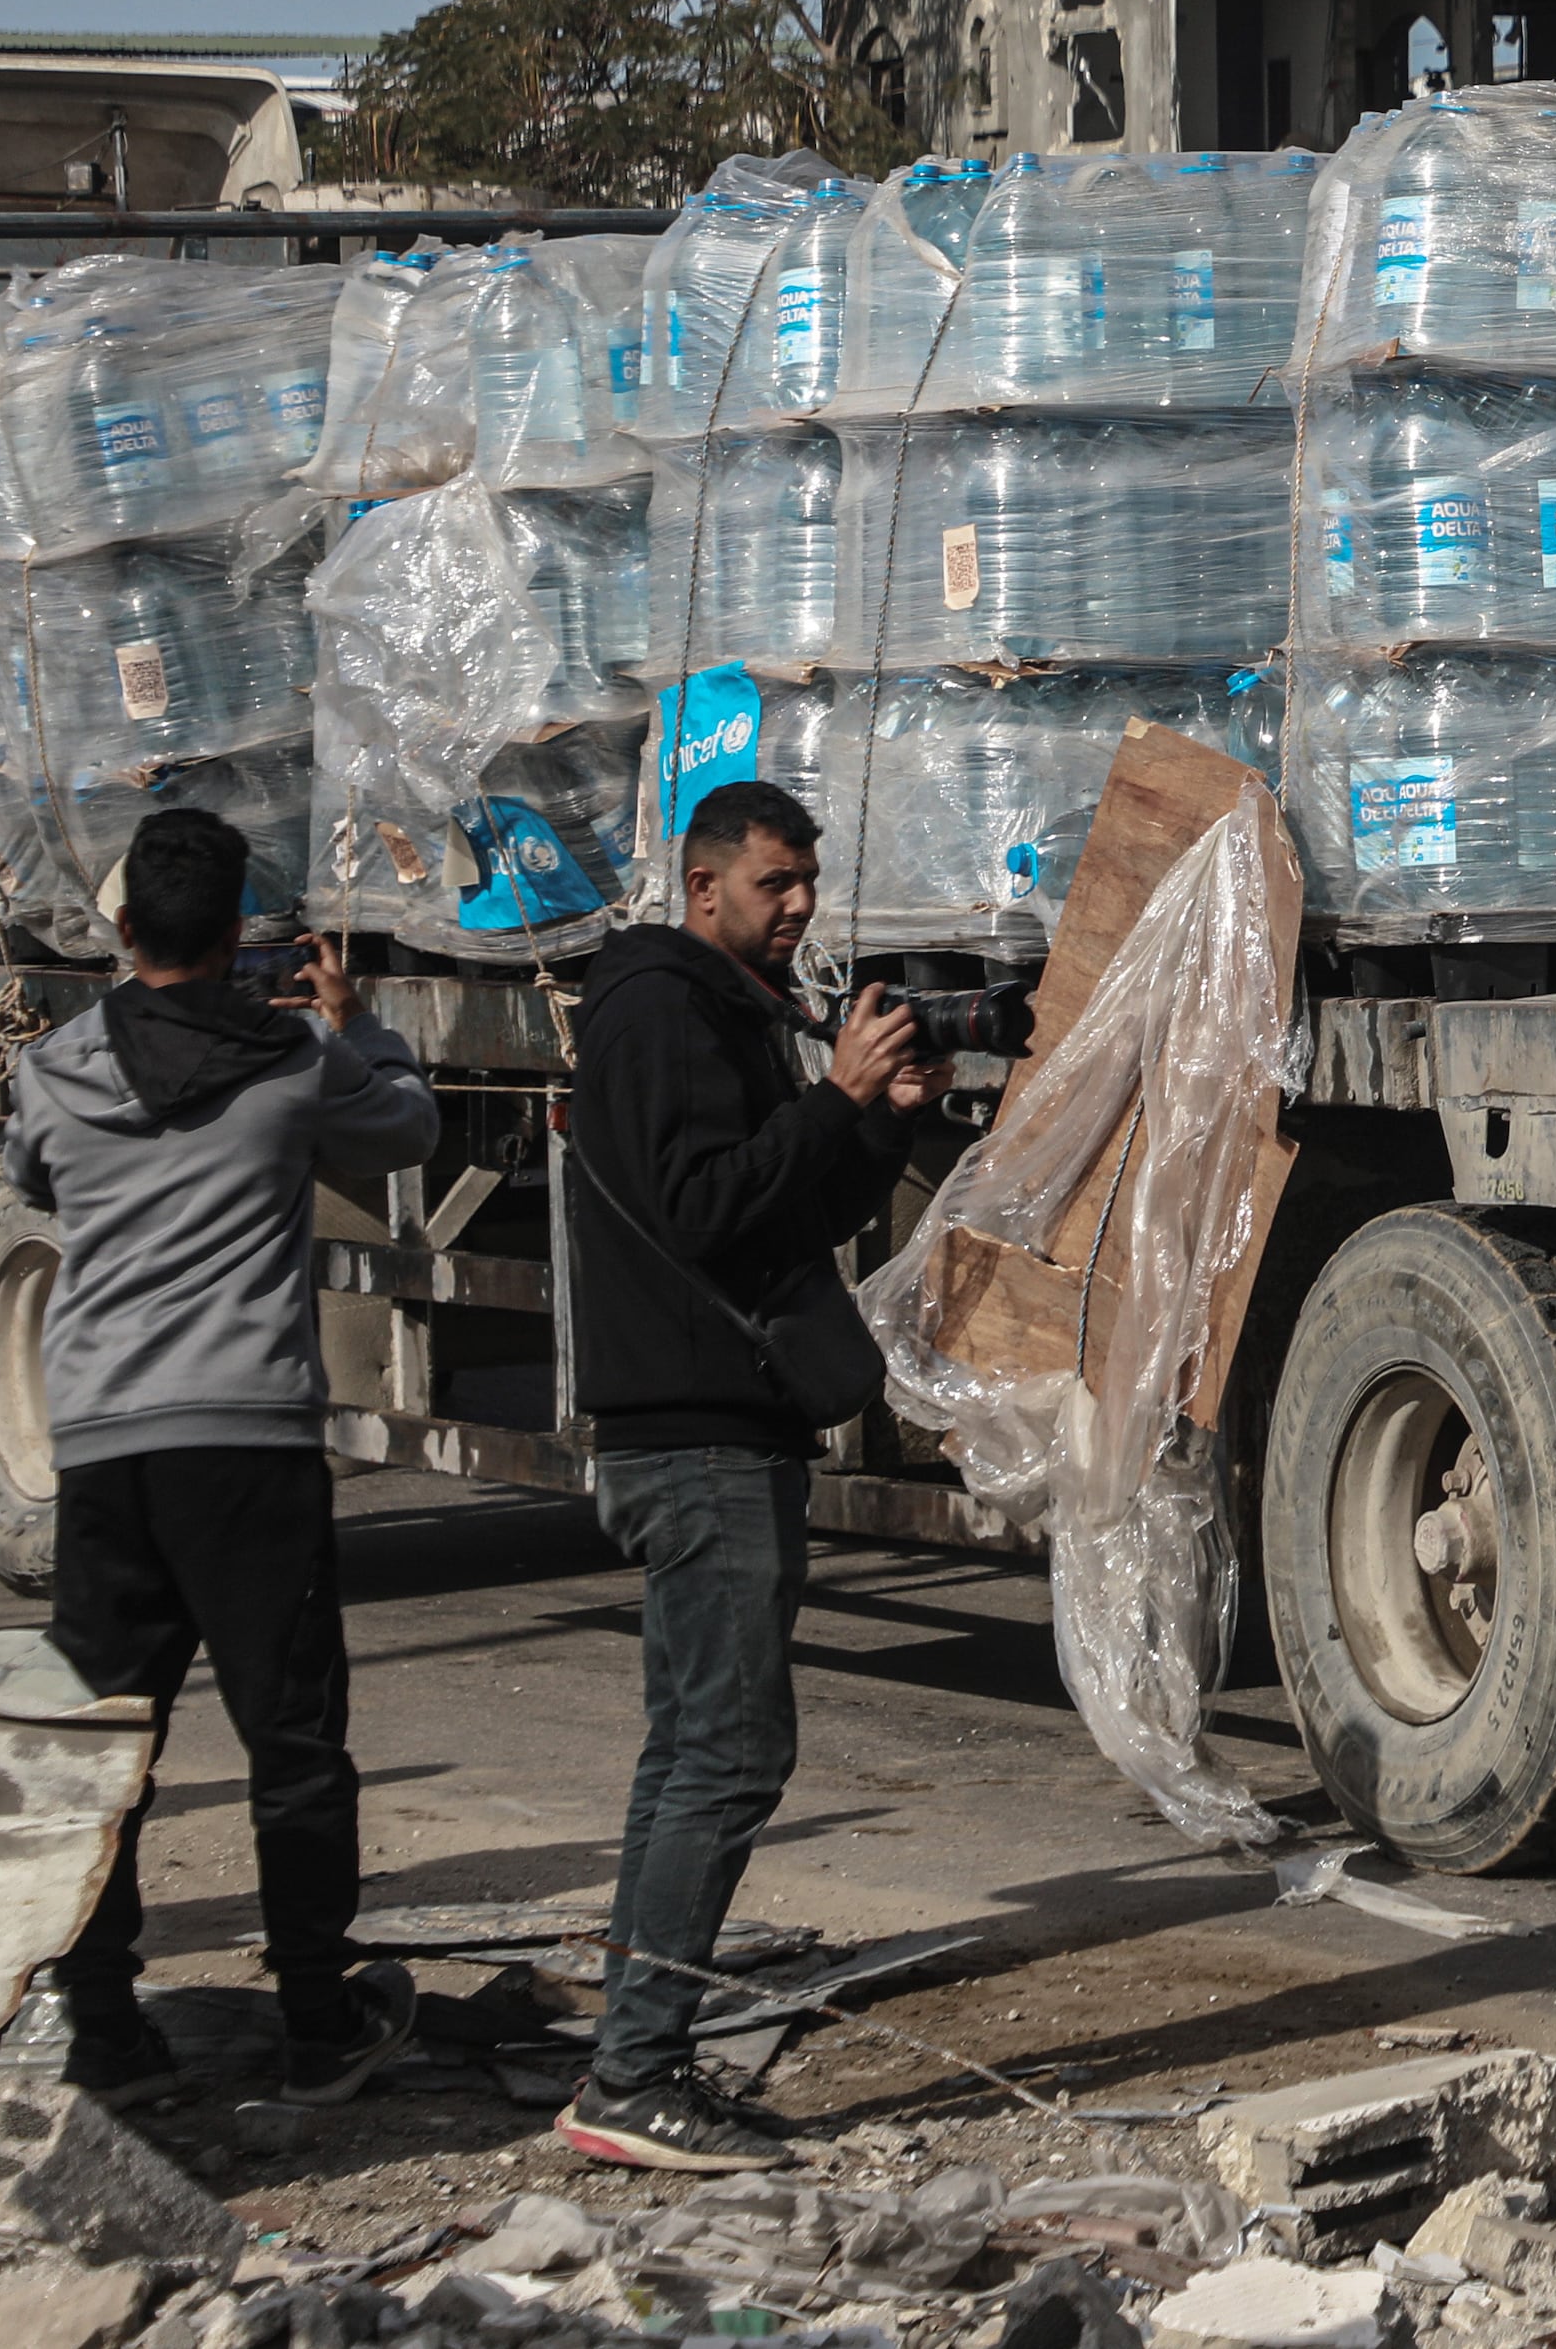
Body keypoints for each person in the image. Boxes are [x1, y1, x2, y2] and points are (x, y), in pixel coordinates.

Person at [9, 808, 438, 2108]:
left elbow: (34, 1180)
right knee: (293, 1741)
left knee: (105, 1746)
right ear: (243, 927)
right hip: (247, 1441)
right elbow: (411, 1127)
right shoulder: (297, 1062)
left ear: (123, 924)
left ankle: (104, 2028)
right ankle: (319, 2015)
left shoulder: (56, 1069)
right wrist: (354, 1021)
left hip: (104, 1446)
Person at [558, 781, 946, 2170]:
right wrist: (830, 1098)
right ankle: (635, 2072)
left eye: (806, 885)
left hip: (720, 1427)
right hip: (695, 1435)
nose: (794, 909)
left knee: (694, 1751)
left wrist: (876, 1118)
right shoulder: (660, 1009)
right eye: (773, 884)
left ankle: (634, 2056)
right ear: (701, 880)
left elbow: (787, 1211)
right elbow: (705, 1210)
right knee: (727, 1753)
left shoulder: (717, 1011)